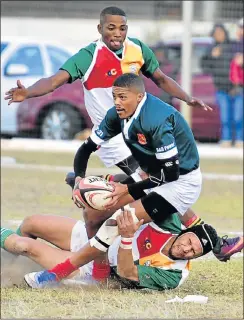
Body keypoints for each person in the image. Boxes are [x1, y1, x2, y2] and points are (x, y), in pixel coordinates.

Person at [21, 73, 243, 288]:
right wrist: (79, 178)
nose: (117, 102)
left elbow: (170, 174)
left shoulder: (156, 119)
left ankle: (62, 273)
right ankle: (99, 267)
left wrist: (127, 188)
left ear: (139, 96)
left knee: (119, 219)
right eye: (114, 96)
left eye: (122, 97)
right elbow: (86, 147)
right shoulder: (112, 103)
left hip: (179, 181)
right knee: (97, 209)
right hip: (149, 167)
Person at [5, 6, 210, 177]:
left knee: (156, 177)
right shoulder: (89, 56)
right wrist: (28, 92)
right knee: (145, 179)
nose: (117, 33)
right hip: (110, 135)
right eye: (111, 28)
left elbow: (161, 78)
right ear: (100, 28)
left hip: (138, 129)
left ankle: (99, 185)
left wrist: (187, 98)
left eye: (122, 28)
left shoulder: (137, 49)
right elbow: (54, 80)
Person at [1, 211, 228, 291]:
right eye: (189, 241)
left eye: (193, 253)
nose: (186, 250)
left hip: (93, 266)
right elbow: (172, 195)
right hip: (93, 235)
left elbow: (127, 272)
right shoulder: (169, 223)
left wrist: (128, 239)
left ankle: (20, 265)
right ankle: (8, 262)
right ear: (185, 232)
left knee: (25, 246)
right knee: (31, 223)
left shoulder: (174, 274)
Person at [201, 23, 235, 147]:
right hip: (220, 87)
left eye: (221, 33)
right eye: (216, 33)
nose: (219, 35)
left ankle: (239, 140)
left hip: (236, 87)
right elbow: (204, 67)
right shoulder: (211, 49)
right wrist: (212, 56)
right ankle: (226, 139)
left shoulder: (232, 47)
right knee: (225, 117)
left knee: (237, 116)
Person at [229, 18, 243, 147]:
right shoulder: (234, 45)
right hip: (236, 85)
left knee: (239, 115)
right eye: (240, 28)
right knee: (235, 115)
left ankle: (240, 139)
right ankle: (237, 140)